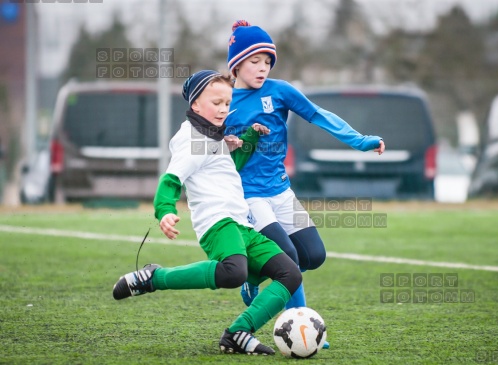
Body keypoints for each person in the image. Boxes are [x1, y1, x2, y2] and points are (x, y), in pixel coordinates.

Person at [112, 70, 302, 356]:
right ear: (195, 104)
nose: (224, 109)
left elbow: (226, 168)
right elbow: (171, 180)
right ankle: (154, 278)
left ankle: (239, 333)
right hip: (218, 223)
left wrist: (248, 138)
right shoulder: (191, 140)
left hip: (242, 224)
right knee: (233, 273)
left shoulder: (213, 136)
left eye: (227, 103)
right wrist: (165, 210)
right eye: (216, 102)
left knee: (290, 273)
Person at [224, 20, 386, 349]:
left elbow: (319, 114)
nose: (263, 68)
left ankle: (253, 276)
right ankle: (302, 329)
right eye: (255, 61)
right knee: (289, 258)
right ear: (236, 64)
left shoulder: (280, 91)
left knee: (314, 255)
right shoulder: (224, 101)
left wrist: (360, 141)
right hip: (249, 198)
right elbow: (207, 147)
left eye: (268, 61)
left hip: (281, 192)